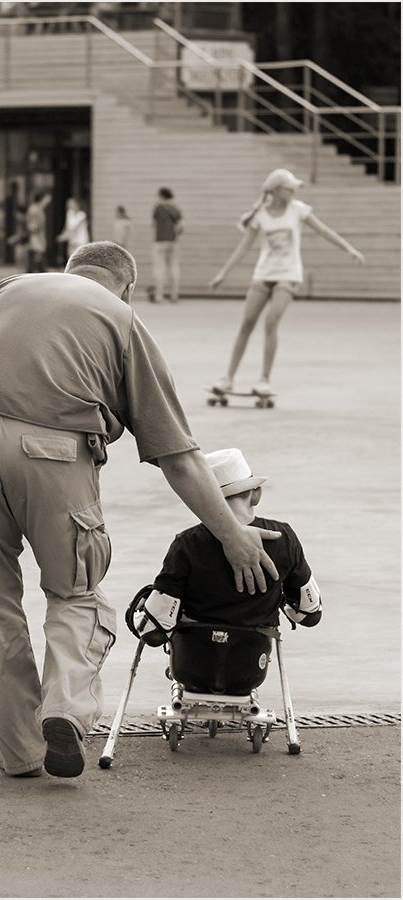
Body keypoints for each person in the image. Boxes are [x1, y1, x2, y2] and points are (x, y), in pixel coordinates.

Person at [0, 242, 282, 780]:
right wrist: (231, 533)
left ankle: (18, 756)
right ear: (127, 287)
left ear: (69, 273)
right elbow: (178, 458)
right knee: (74, 593)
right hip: (54, 453)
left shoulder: (3, 291)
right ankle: (63, 711)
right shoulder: (122, 319)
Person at [132, 447, 322, 647]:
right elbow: (310, 614)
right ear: (256, 494)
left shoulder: (187, 543)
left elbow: (154, 633)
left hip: (193, 662)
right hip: (252, 667)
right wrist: (280, 601)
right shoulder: (283, 537)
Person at [209, 168, 365, 397]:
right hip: (264, 274)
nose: (294, 191)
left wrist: (349, 249)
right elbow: (244, 247)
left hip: (288, 274)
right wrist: (223, 273)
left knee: (271, 323)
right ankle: (228, 378)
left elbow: (324, 231)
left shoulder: (299, 210)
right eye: (290, 187)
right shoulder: (260, 214)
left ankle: (264, 379)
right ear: (276, 190)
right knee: (247, 324)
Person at [150, 187, 183, 303]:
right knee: (174, 267)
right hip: (173, 241)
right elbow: (181, 227)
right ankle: (174, 295)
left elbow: (154, 224)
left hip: (160, 241)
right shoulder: (176, 209)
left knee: (160, 268)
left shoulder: (158, 209)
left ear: (162, 196)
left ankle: (159, 296)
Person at [26, 189, 51, 272]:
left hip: (39, 240)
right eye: (47, 197)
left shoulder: (38, 209)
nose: (49, 199)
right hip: (36, 241)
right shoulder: (35, 209)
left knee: (38, 266)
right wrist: (37, 243)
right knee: (37, 266)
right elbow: (32, 227)